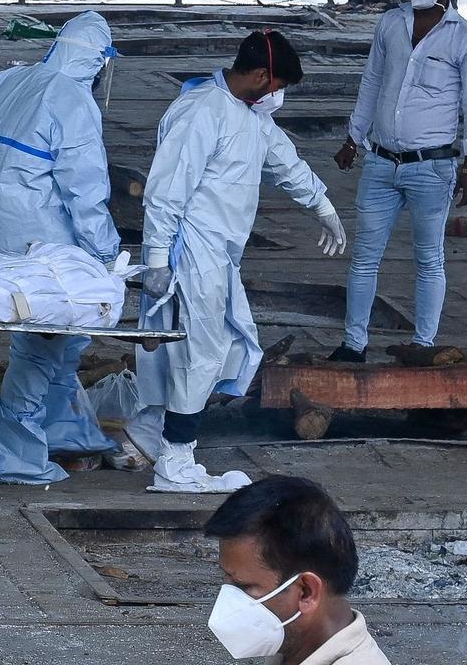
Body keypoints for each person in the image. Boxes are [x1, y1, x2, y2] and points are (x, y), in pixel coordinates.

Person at [137, 30, 346, 494]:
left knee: (217, 349)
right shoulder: (202, 110)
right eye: (275, 85)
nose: (277, 96)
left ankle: (162, 439)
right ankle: (175, 460)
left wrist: (323, 206)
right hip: (192, 247)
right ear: (259, 75)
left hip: (221, 252)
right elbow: (166, 190)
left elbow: (285, 162)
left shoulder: (249, 115)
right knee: (200, 352)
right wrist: (155, 257)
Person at [0, 10, 122, 486]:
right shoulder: (71, 100)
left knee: (62, 342)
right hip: (42, 243)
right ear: (98, 62)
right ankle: (8, 449)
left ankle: (63, 431)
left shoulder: (8, 80)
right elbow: (85, 190)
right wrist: (108, 255)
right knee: (42, 345)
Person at [329, 0, 467, 363]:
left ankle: (423, 345)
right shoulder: (390, 25)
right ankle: (353, 345)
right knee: (364, 257)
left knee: (429, 259)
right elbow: (371, 83)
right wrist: (354, 137)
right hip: (381, 161)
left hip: (433, 166)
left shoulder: (464, 39)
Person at [204, 475, 392, 665]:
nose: (226, 602)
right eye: (226, 579)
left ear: (306, 592)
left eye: (242, 586)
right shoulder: (291, 651)